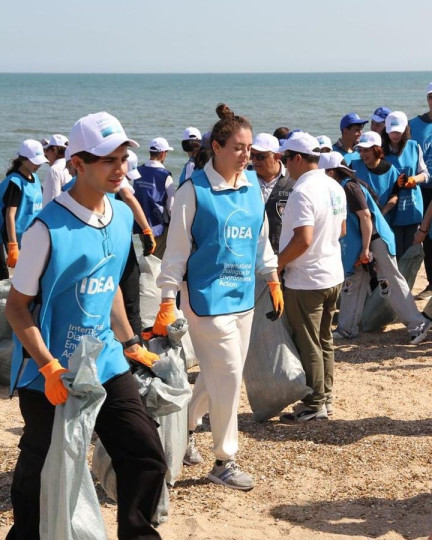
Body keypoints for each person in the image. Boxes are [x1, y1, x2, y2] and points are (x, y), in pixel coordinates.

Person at [5, 111, 166, 540]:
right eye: (107, 160)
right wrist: (47, 366)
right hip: (50, 374)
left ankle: (138, 533)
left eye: (123, 157)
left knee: (146, 455)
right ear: (77, 164)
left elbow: (109, 282)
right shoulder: (46, 229)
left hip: (105, 362)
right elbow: (17, 308)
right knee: (40, 474)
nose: (120, 168)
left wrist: (130, 340)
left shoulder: (121, 216)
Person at [154, 106, 283, 490]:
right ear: (216, 147)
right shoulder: (192, 192)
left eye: (250, 149)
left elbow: (261, 244)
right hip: (206, 301)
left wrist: (273, 279)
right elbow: (174, 253)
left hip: (244, 298)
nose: (247, 155)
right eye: (239, 148)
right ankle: (225, 459)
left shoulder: (251, 190)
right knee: (227, 373)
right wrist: (165, 300)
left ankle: (186, 428)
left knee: (218, 376)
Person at [320, 151, 430, 344]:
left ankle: (418, 324)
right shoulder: (341, 187)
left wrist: (364, 249)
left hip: (376, 240)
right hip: (364, 241)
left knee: (391, 282)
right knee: (352, 283)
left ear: (330, 172)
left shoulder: (349, 187)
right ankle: (347, 328)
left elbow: (366, 217)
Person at [278, 132, 347, 423]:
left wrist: (276, 264)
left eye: (284, 158)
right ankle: (326, 397)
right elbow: (342, 229)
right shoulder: (333, 185)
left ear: (296, 158)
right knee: (324, 339)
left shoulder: (302, 191)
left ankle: (315, 402)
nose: (283, 165)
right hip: (333, 273)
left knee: (308, 342)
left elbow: (303, 239)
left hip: (307, 279)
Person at [382, 111, 430, 258]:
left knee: (410, 255)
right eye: (392, 132)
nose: (395, 135)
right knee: (393, 254)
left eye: (399, 132)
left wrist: (414, 179)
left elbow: (426, 174)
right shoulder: (381, 151)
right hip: (391, 211)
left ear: (406, 129)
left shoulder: (414, 147)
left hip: (411, 210)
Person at [0, 139, 46, 277]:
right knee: (21, 274)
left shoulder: (36, 179)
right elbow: (9, 216)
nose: (39, 165)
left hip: (30, 235)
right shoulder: (15, 183)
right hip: (13, 235)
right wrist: (13, 245)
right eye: (35, 161)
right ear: (24, 160)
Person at [250, 132, 294, 253]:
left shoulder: (294, 182)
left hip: (281, 255)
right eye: (251, 155)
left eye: (260, 157)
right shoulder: (243, 179)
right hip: (250, 253)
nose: (254, 161)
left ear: (277, 157)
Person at [134, 137, 175, 259]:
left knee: (148, 256)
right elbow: (171, 206)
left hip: (142, 224)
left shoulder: (138, 171)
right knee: (159, 259)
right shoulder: (165, 175)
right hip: (159, 225)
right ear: (163, 153)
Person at [409, 82, 432, 299]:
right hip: (420, 187)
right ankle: (430, 283)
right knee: (423, 235)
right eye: (431, 97)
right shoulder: (413, 125)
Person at [350, 131, 399, 215]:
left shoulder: (390, 170)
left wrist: (381, 213)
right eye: (360, 150)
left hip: (383, 219)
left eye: (366, 150)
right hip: (360, 217)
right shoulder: (353, 166)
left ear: (377, 150)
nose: (362, 154)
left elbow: (395, 196)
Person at [41, 134, 72, 207]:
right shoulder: (73, 166)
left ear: (55, 150)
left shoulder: (54, 170)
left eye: (47, 150)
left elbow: (50, 202)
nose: (45, 154)